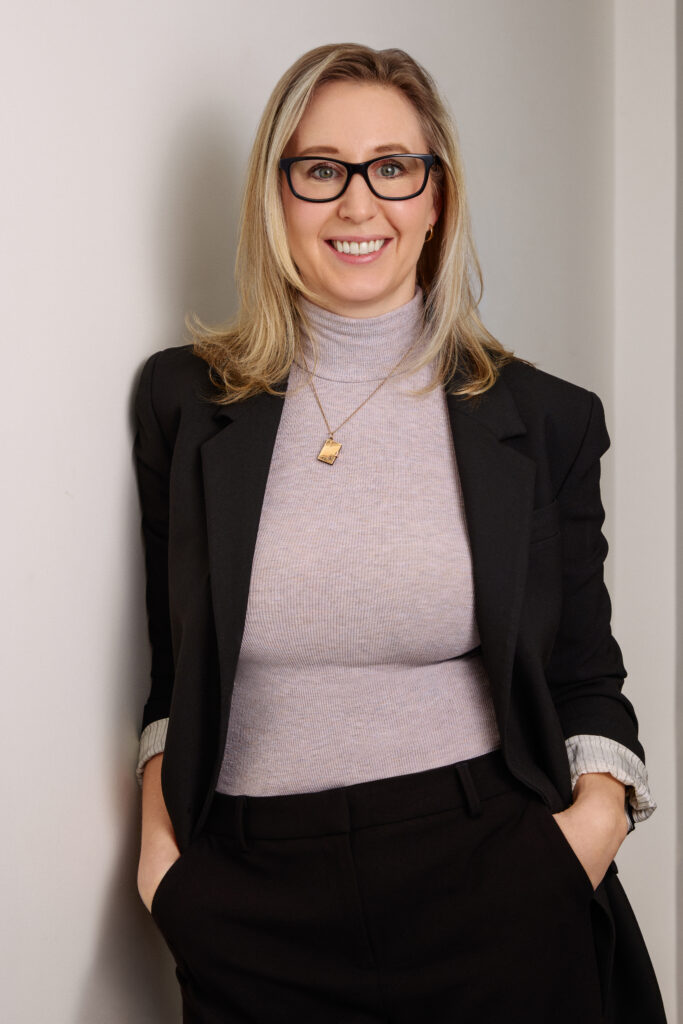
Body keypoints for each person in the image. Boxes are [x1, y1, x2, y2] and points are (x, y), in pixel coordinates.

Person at [132, 43, 666, 1024]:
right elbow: (178, 667)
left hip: (489, 881)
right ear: (277, 192)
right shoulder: (184, 401)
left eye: (392, 167)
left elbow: (585, 677)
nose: (356, 204)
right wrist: (162, 866)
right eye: (319, 168)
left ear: (434, 197)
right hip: (254, 903)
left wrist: (581, 839)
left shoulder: (543, 418)